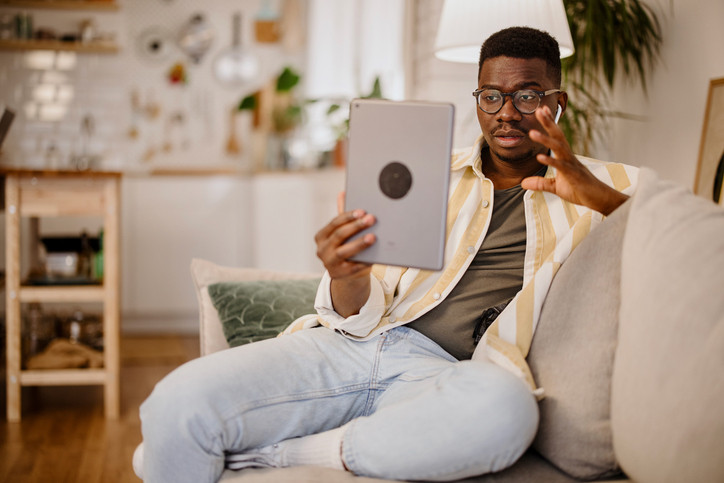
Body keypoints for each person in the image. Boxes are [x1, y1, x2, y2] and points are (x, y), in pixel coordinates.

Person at [136, 27, 637, 482]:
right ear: (478, 100)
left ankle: (290, 454)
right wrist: (343, 272)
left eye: (526, 95)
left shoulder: (614, 187)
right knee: (174, 406)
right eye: (491, 96)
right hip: (352, 346)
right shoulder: (425, 173)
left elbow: (682, 244)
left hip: (446, 378)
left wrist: (595, 196)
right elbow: (354, 311)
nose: (506, 111)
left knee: (508, 411)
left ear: (558, 102)